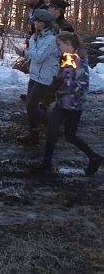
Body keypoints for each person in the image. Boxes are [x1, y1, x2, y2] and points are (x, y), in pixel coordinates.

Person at [35, 32, 102, 175]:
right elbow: (61, 79)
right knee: (51, 130)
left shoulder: (79, 61)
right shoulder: (65, 58)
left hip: (74, 104)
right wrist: (55, 85)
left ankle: (94, 157)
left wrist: (63, 84)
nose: (58, 47)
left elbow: (83, 85)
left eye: (59, 44)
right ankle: (46, 162)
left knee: (70, 135)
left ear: (67, 43)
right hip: (61, 102)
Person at [13, 9, 60, 145]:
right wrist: (31, 44)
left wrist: (24, 52)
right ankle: (34, 133)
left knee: (32, 106)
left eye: (36, 21)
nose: (34, 23)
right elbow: (35, 54)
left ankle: (53, 127)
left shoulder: (51, 39)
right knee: (30, 106)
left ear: (43, 23)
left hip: (44, 76)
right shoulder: (38, 36)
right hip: (35, 75)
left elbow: (39, 57)